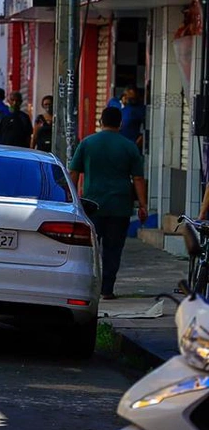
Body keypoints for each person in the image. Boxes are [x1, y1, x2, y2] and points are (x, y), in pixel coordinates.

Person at [69, 107, 147, 300]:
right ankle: (107, 289)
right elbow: (137, 178)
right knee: (113, 249)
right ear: (120, 124)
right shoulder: (129, 147)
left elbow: (73, 173)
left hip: (91, 206)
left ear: (100, 122)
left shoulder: (87, 143)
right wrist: (143, 206)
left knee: (90, 249)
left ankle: (88, 288)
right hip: (120, 207)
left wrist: (69, 200)